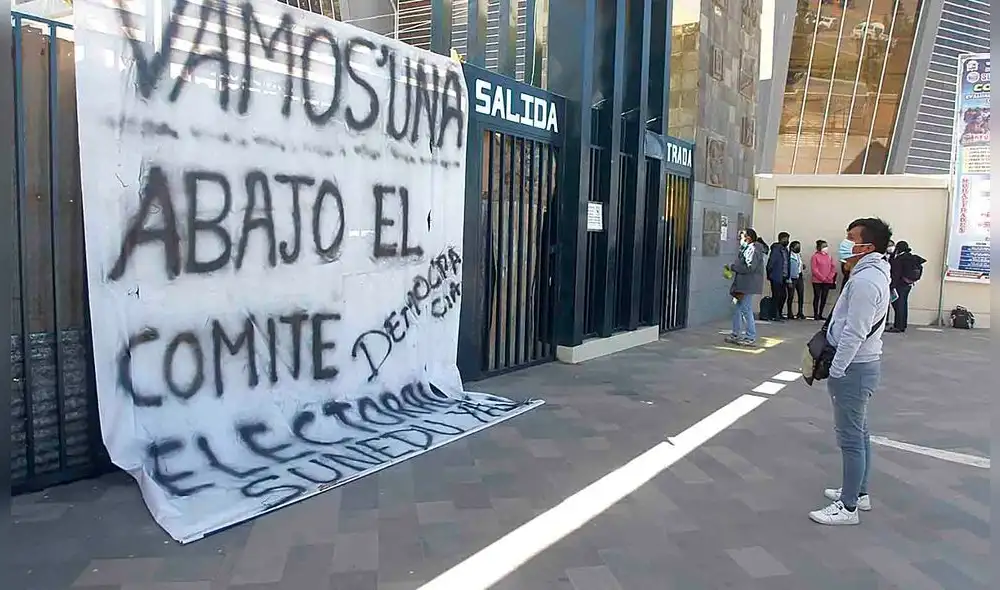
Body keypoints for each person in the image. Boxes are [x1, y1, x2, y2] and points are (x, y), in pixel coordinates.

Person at [809, 218, 892, 526]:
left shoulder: (865, 282)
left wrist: (838, 369)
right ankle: (859, 492)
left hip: (855, 368)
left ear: (867, 246)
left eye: (851, 239)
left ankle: (848, 507)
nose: (846, 244)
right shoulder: (872, 273)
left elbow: (855, 332)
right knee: (860, 432)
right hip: (862, 365)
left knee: (851, 439)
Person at [725, 228, 767, 346]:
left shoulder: (753, 249)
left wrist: (733, 267)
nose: (740, 240)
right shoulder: (747, 248)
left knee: (745, 310)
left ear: (748, 238)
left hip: (747, 284)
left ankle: (750, 336)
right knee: (737, 308)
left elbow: (749, 267)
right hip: (743, 284)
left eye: (741, 238)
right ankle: (736, 333)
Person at [886, 241, 926, 333]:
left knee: (898, 305)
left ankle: (898, 326)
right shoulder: (910, 257)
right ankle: (902, 325)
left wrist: (892, 286)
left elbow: (896, 273)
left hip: (900, 285)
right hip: (908, 284)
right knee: (903, 304)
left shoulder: (901, 258)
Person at [766, 232, 791, 321]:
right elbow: (771, 262)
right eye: (786, 239)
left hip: (784, 276)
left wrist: (788, 276)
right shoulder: (776, 249)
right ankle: (774, 314)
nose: (787, 241)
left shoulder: (786, 250)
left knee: (783, 295)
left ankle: (779, 312)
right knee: (776, 296)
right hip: (776, 276)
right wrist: (769, 274)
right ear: (781, 239)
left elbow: (787, 263)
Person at [810, 240, 837, 320]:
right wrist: (822, 278)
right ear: (819, 247)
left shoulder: (829, 256)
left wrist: (829, 277)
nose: (825, 248)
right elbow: (814, 269)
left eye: (826, 246)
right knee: (817, 296)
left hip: (828, 281)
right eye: (823, 246)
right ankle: (816, 314)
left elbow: (833, 268)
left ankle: (821, 313)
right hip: (817, 281)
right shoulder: (815, 257)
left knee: (824, 297)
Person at [786, 240, 806, 319]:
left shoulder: (799, 255)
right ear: (792, 248)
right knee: (791, 295)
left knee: (801, 294)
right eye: (796, 246)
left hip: (799, 276)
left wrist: (802, 266)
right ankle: (789, 312)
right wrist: (789, 279)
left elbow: (799, 264)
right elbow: (788, 268)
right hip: (792, 277)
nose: (798, 248)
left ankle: (800, 312)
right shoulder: (789, 256)